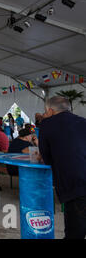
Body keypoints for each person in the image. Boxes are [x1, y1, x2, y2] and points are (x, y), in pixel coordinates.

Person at [38, 96, 86, 239]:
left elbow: (46, 156)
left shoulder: (47, 124)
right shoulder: (83, 121)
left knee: (74, 232)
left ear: (51, 111)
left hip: (75, 182)